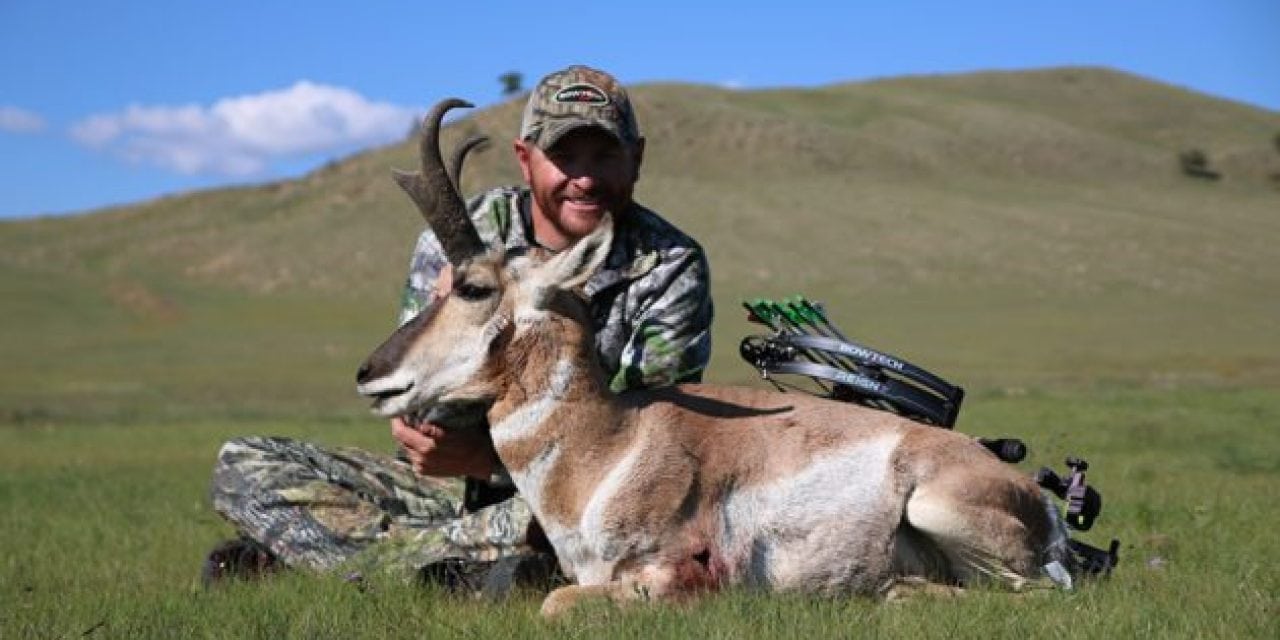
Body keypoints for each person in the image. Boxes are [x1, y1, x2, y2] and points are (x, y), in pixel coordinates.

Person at [206, 65, 714, 592]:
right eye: (563, 157)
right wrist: (434, 431)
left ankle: (324, 556)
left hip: (581, 493)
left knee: (604, 523)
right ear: (525, 159)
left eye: (605, 155)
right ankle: (456, 573)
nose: (584, 179)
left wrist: (488, 462)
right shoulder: (465, 235)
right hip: (442, 486)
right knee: (241, 464)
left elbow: (648, 441)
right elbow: (419, 400)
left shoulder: (670, 264)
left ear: (636, 158)